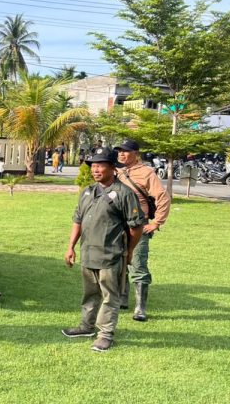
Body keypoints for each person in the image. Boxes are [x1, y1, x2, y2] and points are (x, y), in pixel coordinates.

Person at [62, 147, 146, 352]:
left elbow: (136, 227)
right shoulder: (87, 192)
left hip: (111, 255)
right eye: (93, 166)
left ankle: (105, 335)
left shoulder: (124, 193)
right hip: (88, 254)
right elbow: (78, 220)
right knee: (90, 293)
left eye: (100, 166)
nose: (95, 170)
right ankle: (86, 326)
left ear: (112, 168)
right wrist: (71, 247)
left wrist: (129, 251)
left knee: (110, 296)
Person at [114, 139, 171, 321]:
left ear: (136, 154)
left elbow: (162, 197)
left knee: (137, 263)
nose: (121, 154)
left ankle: (140, 308)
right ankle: (122, 298)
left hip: (138, 226)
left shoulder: (146, 173)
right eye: (119, 151)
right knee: (118, 262)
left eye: (125, 151)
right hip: (116, 225)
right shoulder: (116, 171)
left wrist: (156, 223)